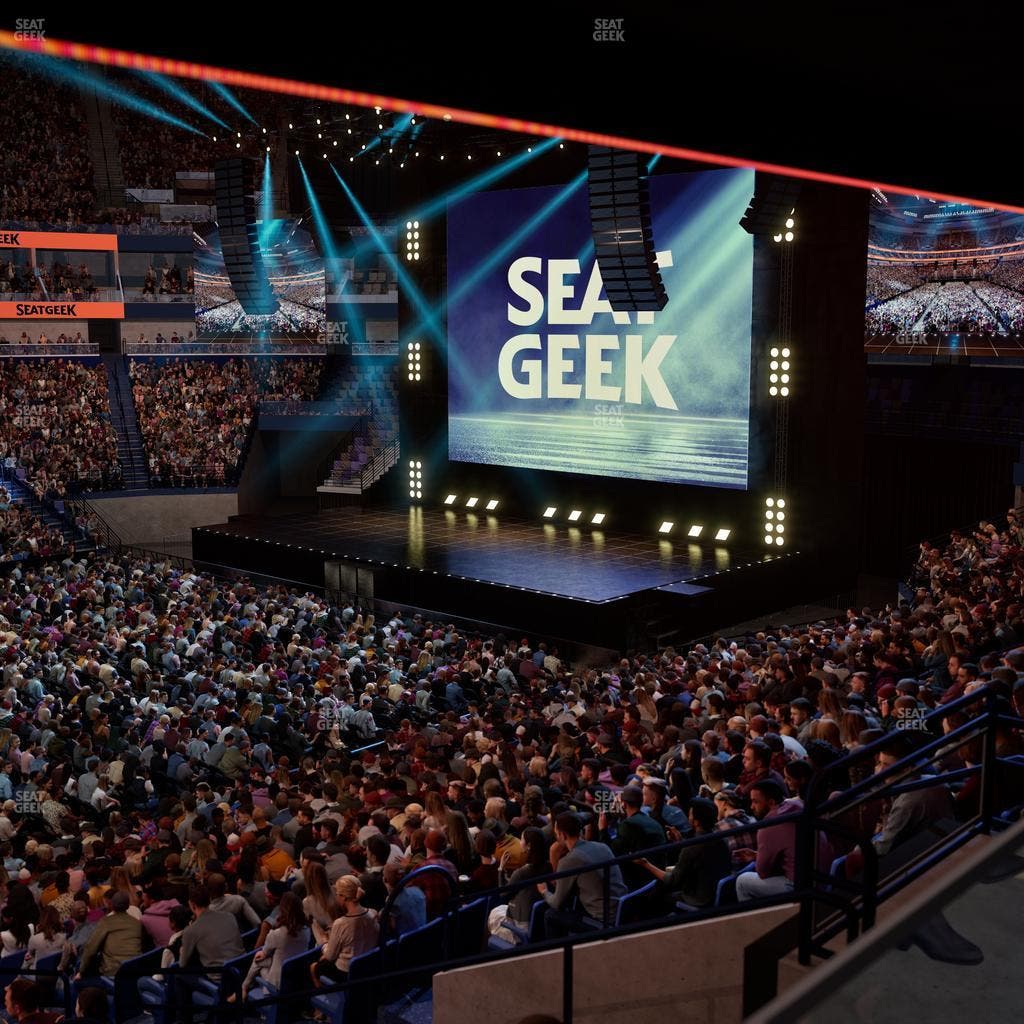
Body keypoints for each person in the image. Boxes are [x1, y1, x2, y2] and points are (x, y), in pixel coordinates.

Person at [536, 812, 626, 936]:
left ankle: (556, 954)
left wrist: (544, 891)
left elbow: (557, 903)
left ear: (562, 835)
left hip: (603, 922)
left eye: (556, 832)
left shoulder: (569, 860)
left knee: (551, 914)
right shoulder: (603, 846)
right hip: (622, 911)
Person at [635, 798, 730, 909]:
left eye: (690, 815)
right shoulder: (721, 839)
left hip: (698, 900)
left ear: (696, 821)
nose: (688, 817)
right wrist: (680, 842)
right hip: (713, 895)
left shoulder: (692, 847)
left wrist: (646, 864)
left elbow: (672, 880)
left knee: (656, 895)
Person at [735, 781, 800, 901]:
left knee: (742, 881)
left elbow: (763, 873)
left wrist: (760, 859)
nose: (751, 807)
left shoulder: (768, 827)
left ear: (771, 802)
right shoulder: (796, 806)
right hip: (819, 876)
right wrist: (757, 855)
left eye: (755, 802)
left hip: (799, 886)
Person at [311, 875, 379, 986]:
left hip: (347, 973)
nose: (336, 896)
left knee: (314, 967)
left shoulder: (340, 924)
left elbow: (330, 957)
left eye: (337, 894)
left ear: (343, 897)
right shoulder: (373, 913)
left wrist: (324, 943)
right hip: (369, 967)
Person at [242, 891, 309, 998]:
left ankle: (244, 987)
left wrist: (262, 953)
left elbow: (264, 953)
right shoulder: (307, 931)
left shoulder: (276, 934)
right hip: (296, 978)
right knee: (262, 962)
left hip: (277, 983)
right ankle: (244, 987)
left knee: (258, 959)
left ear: (282, 909)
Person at [75, 890, 144, 980]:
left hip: (114, 973)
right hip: (135, 970)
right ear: (127, 905)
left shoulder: (105, 922)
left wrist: (81, 971)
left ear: (111, 905)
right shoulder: (136, 923)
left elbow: (90, 948)